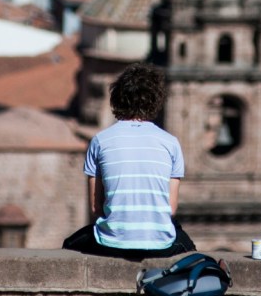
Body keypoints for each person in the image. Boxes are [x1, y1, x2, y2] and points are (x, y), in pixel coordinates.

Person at [62, 62, 196, 260]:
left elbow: (96, 208)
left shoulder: (99, 141)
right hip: (160, 245)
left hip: (111, 244)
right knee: (189, 248)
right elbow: (171, 208)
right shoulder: (171, 143)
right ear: (157, 101)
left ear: (116, 99)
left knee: (70, 245)